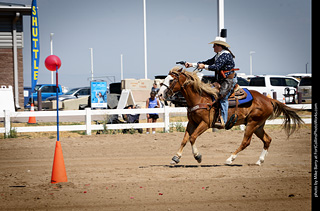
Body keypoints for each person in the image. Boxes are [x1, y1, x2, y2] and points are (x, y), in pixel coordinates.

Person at [185, 36, 237, 127]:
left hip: (229, 80)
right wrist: (191, 64)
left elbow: (216, 67)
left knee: (222, 97)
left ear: (220, 46)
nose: (213, 47)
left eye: (214, 45)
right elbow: (207, 62)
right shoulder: (219, 55)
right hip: (221, 80)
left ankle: (223, 120)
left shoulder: (226, 55)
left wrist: (203, 66)